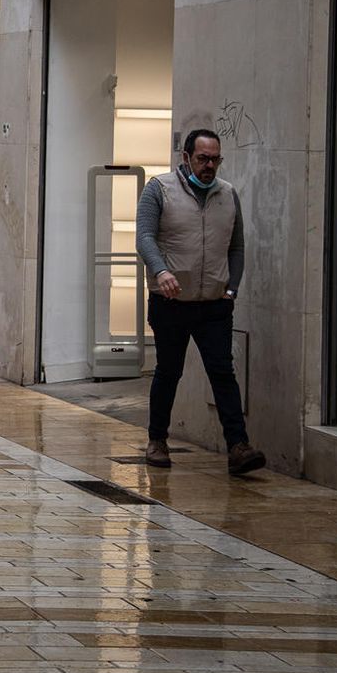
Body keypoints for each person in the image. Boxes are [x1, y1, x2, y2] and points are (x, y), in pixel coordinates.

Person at [136, 129, 266, 476]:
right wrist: (160, 271)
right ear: (186, 157)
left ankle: (238, 447)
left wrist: (232, 289)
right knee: (168, 372)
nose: (209, 166)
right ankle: (157, 440)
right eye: (202, 158)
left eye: (215, 159)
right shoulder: (159, 189)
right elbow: (145, 237)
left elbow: (236, 247)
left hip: (214, 304)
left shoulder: (228, 194)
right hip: (171, 302)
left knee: (223, 373)